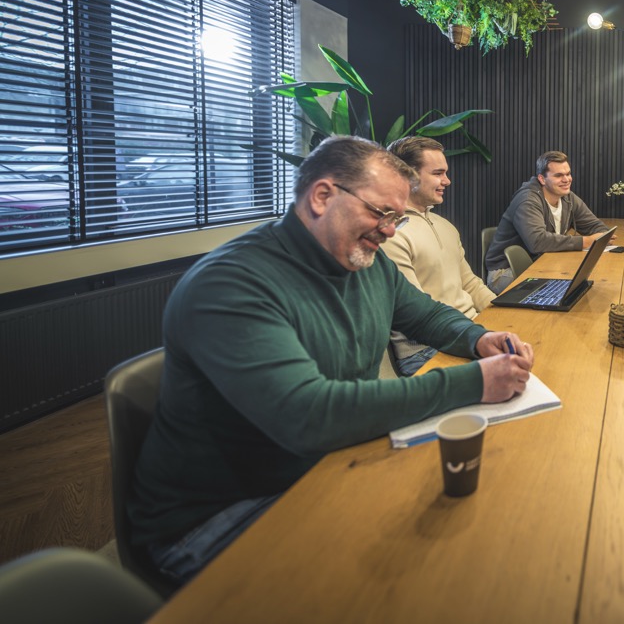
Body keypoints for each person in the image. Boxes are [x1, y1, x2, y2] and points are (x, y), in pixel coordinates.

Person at [128, 136, 535, 585]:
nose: (390, 231)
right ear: (323, 196)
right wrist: (473, 383)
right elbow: (310, 415)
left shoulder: (365, 259)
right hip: (216, 515)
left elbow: (425, 314)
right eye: (382, 213)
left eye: (397, 218)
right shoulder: (230, 285)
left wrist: (480, 339)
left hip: (325, 463)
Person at [383, 136, 496, 377]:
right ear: (406, 175)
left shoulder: (445, 225)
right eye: (438, 173)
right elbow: (418, 318)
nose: (447, 180)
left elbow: (471, 284)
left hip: (468, 331)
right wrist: (477, 336)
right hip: (427, 350)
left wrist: (502, 316)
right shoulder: (390, 235)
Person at [484, 150, 612, 292]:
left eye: (568, 174)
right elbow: (538, 242)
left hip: (541, 264)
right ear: (542, 179)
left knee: (583, 286)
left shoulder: (567, 197)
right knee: (566, 291)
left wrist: (604, 235)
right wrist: (587, 241)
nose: (566, 179)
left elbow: (595, 226)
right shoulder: (527, 200)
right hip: (506, 272)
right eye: (558, 175)